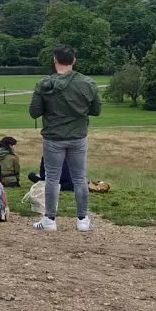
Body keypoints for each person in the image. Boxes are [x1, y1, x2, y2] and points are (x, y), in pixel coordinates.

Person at [29, 45, 102, 232]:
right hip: (78, 136)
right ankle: (82, 220)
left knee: (52, 179)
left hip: (53, 137)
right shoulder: (87, 83)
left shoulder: (45, 84)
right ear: (74, 60)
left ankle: (49, 219)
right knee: (80, 178)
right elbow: (96, 110)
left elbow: (34, 112)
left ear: (55, 59)